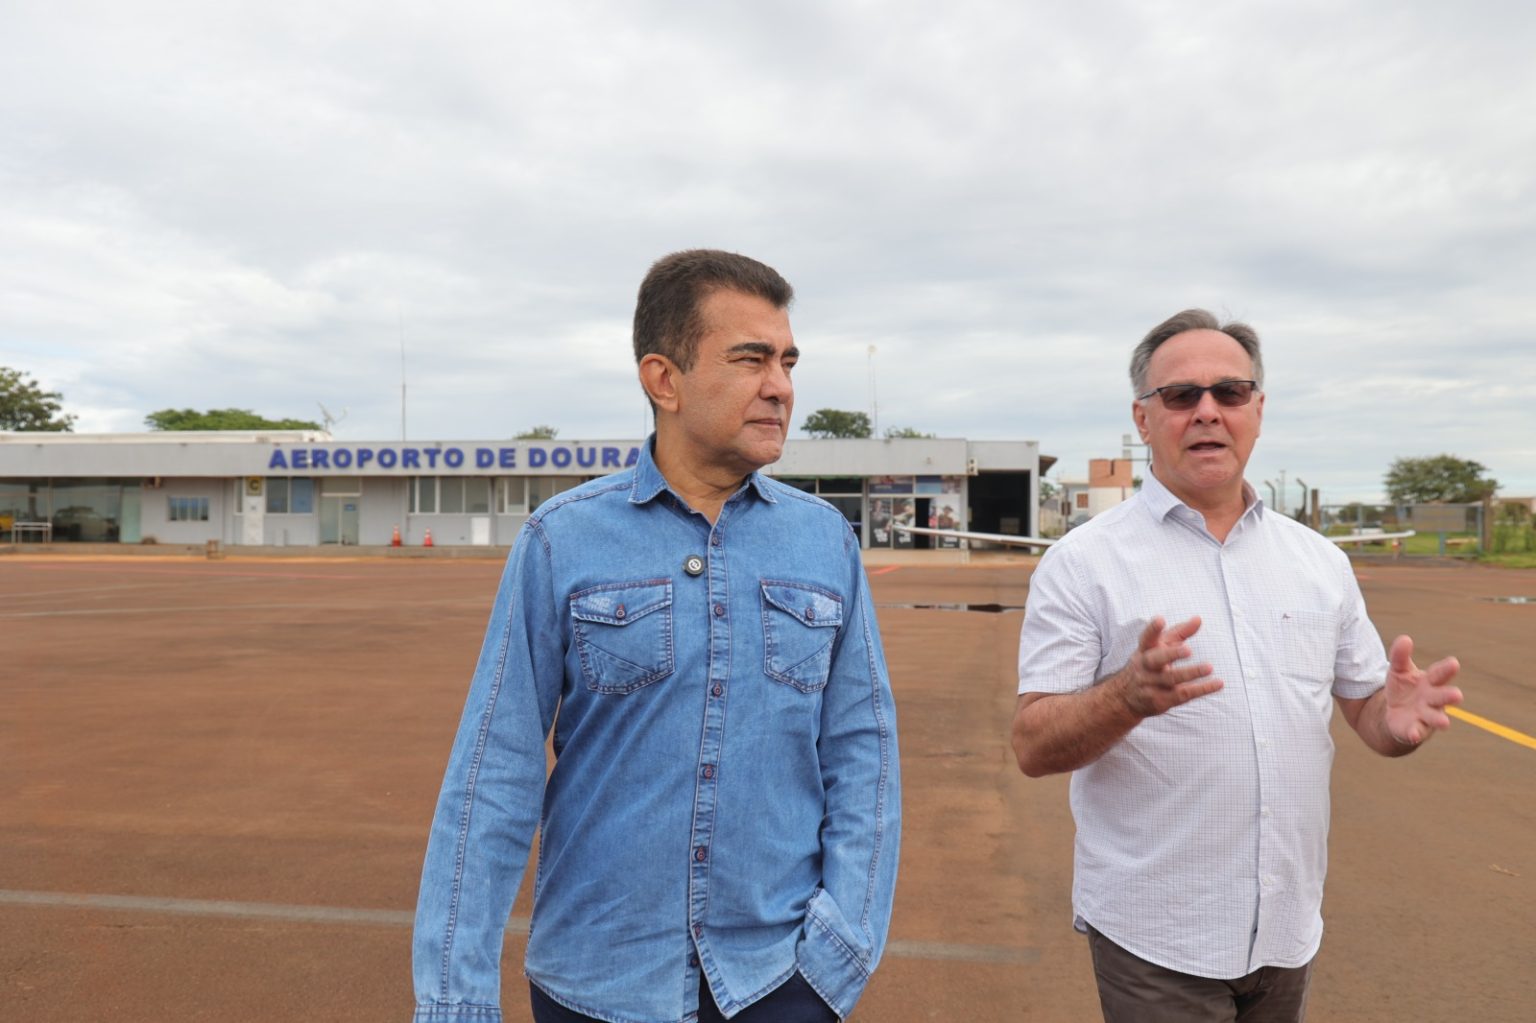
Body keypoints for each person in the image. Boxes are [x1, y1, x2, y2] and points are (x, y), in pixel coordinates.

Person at [412, 249, 901, 1023]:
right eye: (750, 359)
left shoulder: (823, 542)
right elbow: (492, 775)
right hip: (597, 984)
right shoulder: (560, 541)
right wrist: (456, 1000)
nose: (780, 385)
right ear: (663, 379)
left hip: (777, 981)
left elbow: (862, 750)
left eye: (787, 361)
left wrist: (840, 948)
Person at [1012, 309, 1462, 1022]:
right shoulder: (1083, 564)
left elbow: (1366, 712)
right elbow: (1033, 743)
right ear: (1143, 417)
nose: (1207, 412)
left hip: (1287, 928)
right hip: (1156, 935)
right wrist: (1127, 695)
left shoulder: (1320, 563)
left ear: (1258, 409)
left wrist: (1392, 720)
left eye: (1230, 391)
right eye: (1181, 395)